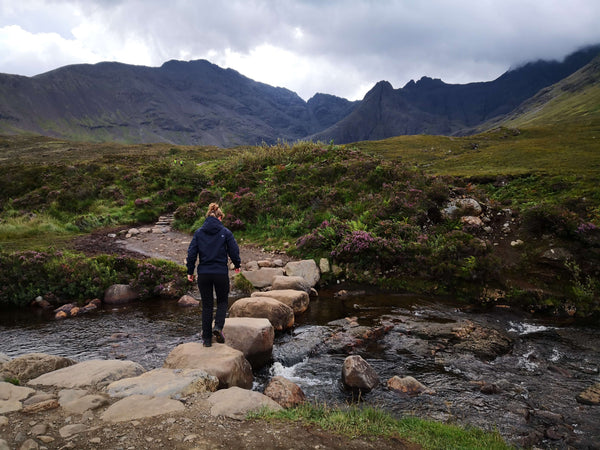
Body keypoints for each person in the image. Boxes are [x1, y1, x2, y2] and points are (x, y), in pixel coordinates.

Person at [186, 203, 241, 347]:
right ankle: (218, 327)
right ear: (220, 217)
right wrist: (237, 265)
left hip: (204, 273)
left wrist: (190, 271)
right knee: (222, 301)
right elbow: (234, 251)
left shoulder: (198, 232)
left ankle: (207, 340)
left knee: (207, 305)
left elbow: (191, 253)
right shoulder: (225, 232)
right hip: (220, 273)